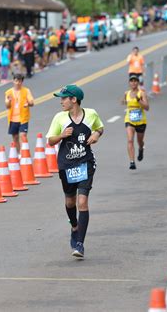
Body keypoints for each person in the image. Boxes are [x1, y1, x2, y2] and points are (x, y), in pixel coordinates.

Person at [46, 84, 104, 258]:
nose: (61, 101)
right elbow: (50, 141)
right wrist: (62, 135)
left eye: (64, 98)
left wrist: (96, 135)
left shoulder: (91, 114)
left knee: (82, 202)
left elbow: (100, 127)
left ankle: (80, 243)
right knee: (70, 202)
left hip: (85, 163)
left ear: (74, 100)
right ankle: (74, 226)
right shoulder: (59, 118)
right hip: (67, 165)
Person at [122, 75, 149, 170]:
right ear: (129, 83)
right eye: (131, 81)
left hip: (141, 120)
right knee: (130, 140)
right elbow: (124, 101)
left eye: (135, 81)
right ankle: (132, 161)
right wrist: (123, 101)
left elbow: (147, 107)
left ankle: (141, 148)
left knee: (139, 141)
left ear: (138, 82)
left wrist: (139, 100)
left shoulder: (142, 93)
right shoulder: (127, 93)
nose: (133, 83)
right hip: (129, 119)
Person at [4, 73, 35, 153]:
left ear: (22, 82)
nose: (18, 83)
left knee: (23, 135)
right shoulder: (8, 92)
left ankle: (25, 153)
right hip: (12, 119)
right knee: (15, 137)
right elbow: (7, 106)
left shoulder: (26, 91)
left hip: (23, 118)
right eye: (16, 81)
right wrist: (9, 101)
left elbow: (31, 102)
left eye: (20, 81)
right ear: (13, 81)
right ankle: (19, 154)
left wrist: (28, 103)